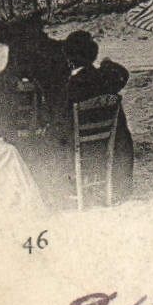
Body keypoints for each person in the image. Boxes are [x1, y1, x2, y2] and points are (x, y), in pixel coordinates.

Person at [62, 31, 135, 201]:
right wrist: (106, 64)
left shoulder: (72, 86)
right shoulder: (106, 78)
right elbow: (122, 73)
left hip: (82, 149)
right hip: (108, 145)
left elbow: (62, 121)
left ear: (69, 59)